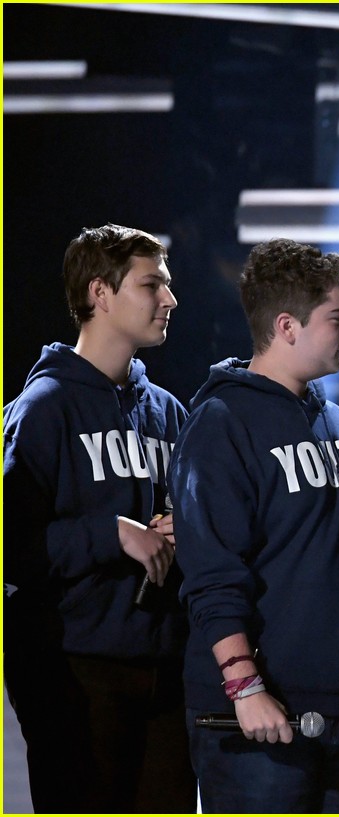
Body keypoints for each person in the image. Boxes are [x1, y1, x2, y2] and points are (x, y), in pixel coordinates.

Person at [2, 223, 195, 812]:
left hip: (163, 666)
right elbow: (13, 545)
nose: (170, 299)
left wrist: (183, 533)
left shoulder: (166, 410)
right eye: (152, 284)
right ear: (99, 294)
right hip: (75, 670)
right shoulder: (42, 408)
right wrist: (111, 534)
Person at [169, 238, 339, 812]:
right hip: (255, 723)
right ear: (287, 325)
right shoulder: (220, 426)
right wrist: (244, 685)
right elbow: (210, 575)